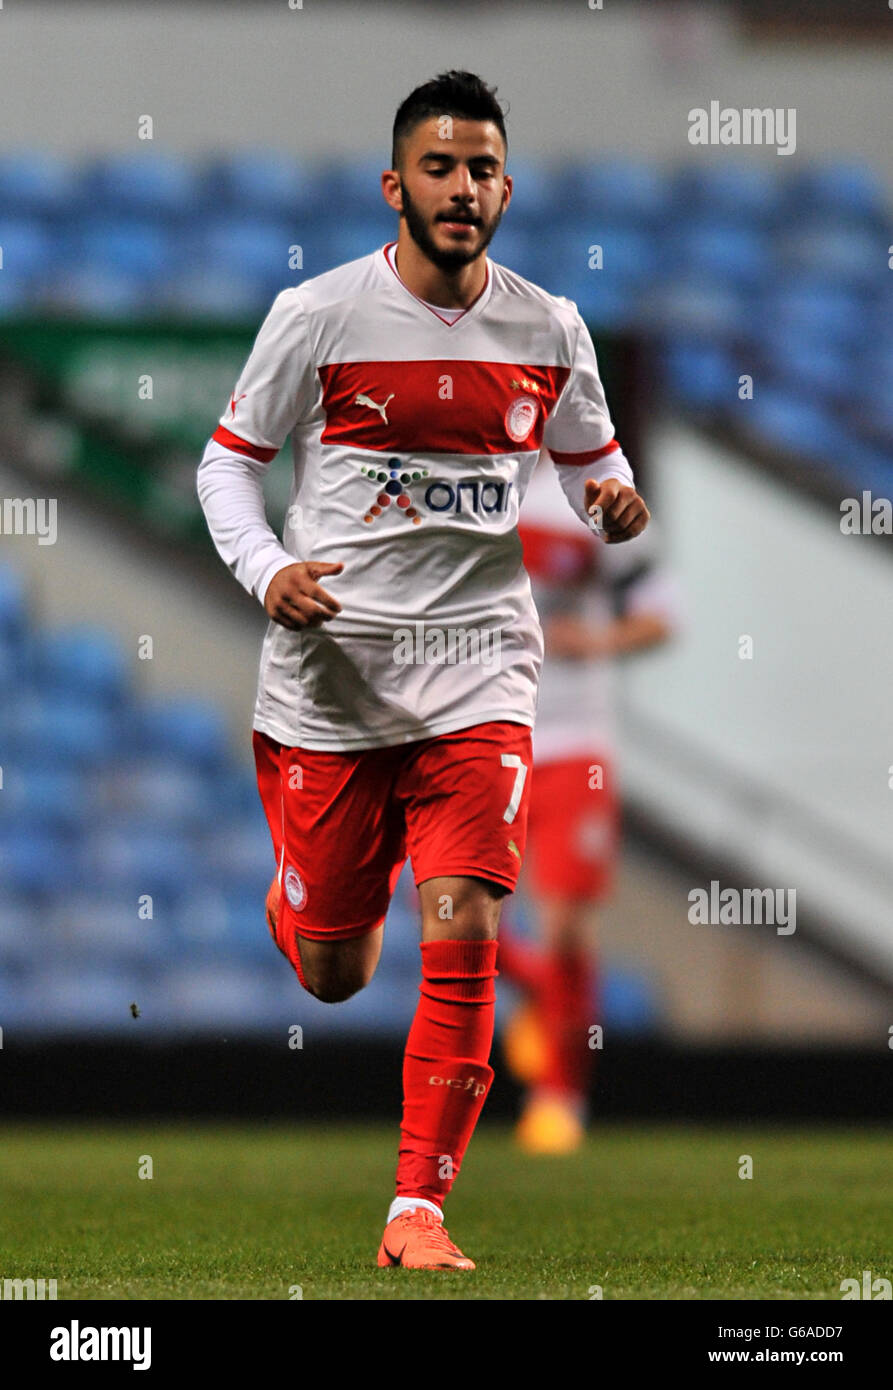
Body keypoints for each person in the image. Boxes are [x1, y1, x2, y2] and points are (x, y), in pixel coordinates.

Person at [196, 70, 649, 1271]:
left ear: (508, 186)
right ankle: (301, 903)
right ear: (394, 185)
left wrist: (603, 499)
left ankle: (416, 1208)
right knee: (337, 974)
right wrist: (264, 571)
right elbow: (225, 467)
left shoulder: (548, 326)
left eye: (483, 167)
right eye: (440, 167)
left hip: (479, 679)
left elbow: (579, 461)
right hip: (332, 687)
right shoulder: (318, 316)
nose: (463, 188)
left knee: (462, 921)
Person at [499, 455, 677, 1153]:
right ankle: (553, 1000)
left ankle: (559, 1096)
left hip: (574, 741)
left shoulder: (595, 498)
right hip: (485, 732)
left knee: (565, 924)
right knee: (452, 913)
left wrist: (594, 640)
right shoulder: (459, 485)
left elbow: (662, 615)